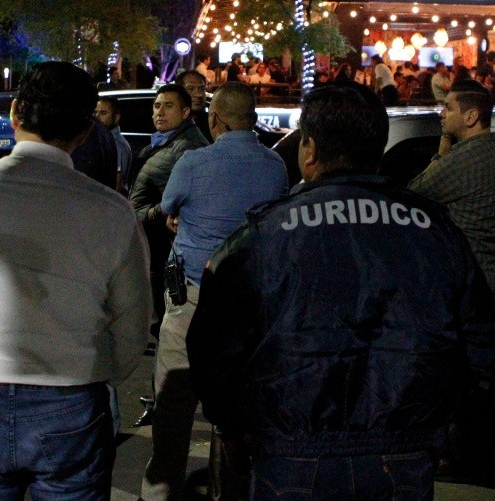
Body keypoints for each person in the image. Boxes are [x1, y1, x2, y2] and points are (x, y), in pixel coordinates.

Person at [187, 82, 495, 500]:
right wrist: (446, 425)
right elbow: (480, 341)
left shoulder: (264, 235)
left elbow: (213, 346)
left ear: (310, 150)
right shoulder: (435, 231)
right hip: (403, 450)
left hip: (293, 451)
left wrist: (232, 425)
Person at [0, 60, 152, 499]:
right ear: (85, 132)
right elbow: (133, 322)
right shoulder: (110, 211)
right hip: (70, 398)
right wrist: (95, 369)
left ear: (15, 114)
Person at [140, 82, 288, 500]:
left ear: (215, 119)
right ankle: (231, 488)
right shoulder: (275, 165)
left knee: (174, 401)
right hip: (248, 303)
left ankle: (162, 489)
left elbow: (169, 206)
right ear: (253, 119)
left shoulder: (193, 162)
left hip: (192, 293)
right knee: (235, 407)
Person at [129, 84, 209, 427]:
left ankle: (164, 400)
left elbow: (140, 205)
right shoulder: (167, 145)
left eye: (168, 106)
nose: (159, 112)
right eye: (156, 106)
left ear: (186, 112)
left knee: (170, 328)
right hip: (163, 246)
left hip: (168, 250)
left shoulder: (184, 150)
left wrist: (159, 214)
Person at [409, 79, 495, 294]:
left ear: (471, 116)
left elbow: (412, 193)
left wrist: (440, 155)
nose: (441, 114)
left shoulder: (462, 160)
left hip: (474, 283)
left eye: (448, 107)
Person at [94, 96, 132, 193]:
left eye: (103, 113)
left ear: (116, 117)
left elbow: (115, 186)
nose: (97, 117)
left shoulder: (117, 145)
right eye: (95, 112)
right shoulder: (103, 140)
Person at [175, 70, 211, 143]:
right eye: (190, 89)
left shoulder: (213, 123)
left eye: (202, 89)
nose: (199, 95)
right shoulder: (169, 123)